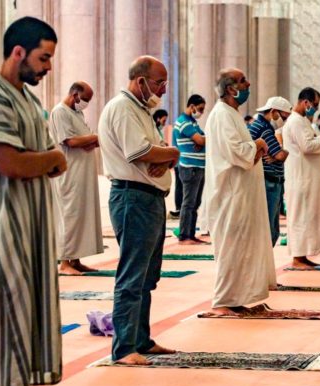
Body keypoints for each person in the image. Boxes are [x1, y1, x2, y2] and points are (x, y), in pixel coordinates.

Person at [0, 17, 67, 386]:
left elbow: (38, 159)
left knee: (20, 312)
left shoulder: (26, 98)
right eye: (44, 57)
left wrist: (46, 159)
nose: (48, 67)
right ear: (18, 52)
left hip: (27, 224)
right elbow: (11, 163)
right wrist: (53, 158)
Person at [98, 55, 179, 365]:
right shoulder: (122, 108)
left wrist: (165, 156)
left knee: (146, 277)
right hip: (133, 198)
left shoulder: (141, 110)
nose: (163, 88)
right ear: (140, 80)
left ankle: (141, 339)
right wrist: (171, 152)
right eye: (159, 82)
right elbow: (142, 151)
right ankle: (123, 349)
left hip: (150, 198)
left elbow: (157, 150)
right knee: (132, 276)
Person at [203, 68, 275, 316]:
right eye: (244, 81)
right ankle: (223, 300)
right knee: (231, 247)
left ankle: (237, 297)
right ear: (232, 88)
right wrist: (258, 144)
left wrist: (256, 147)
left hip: (241, 193)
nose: (249, 83)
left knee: (241, 247)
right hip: (229, 194)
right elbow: (237, 152)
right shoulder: (222, 115)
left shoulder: (231, 114)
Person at [49, 81, 103, 275]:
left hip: (82, 172)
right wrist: (96, 137)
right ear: (74, 94)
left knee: (80, 215)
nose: (86, 104)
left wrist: (93, 139)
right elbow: (70, 141)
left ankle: (76, 260)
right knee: (69, 216)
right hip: (69, 174)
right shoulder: (60, 112)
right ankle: (64, 263)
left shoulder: (77, 113)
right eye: (85, 99)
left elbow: (86, 139)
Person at [283, 87, 320, 268]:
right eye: (314, 104)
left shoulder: (302, 120)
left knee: (307, 218)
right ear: (305, 102)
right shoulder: (296, 121)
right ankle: (297, 258)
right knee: (300, 218)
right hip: (300, 179)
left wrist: (319, 138)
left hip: (307, 179)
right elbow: (307, 146)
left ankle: (303, 256)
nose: (315, 108)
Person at [248, 96, 291, 246]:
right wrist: (284, 152)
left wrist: (279, 153)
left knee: (269, 228)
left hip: (267, 180)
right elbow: (280, 155)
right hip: (269, 181)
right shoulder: (265, 129)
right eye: (284, 117)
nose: (285, 121)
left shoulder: (259, 125)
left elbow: (276, 154)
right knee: (269, 230)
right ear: (274, 112)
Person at [173, 94, 208, 244]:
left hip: (198, 166)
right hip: (190, 167)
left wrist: (203, 139)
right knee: (188, 203)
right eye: (200, 109)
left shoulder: (193, 123)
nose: (201, 112)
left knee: (196, 202)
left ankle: (191, 234)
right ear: (192, 106)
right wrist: (202, 140)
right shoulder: (183, 122)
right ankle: (184, 235)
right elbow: (201, 139)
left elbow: (203, 137)